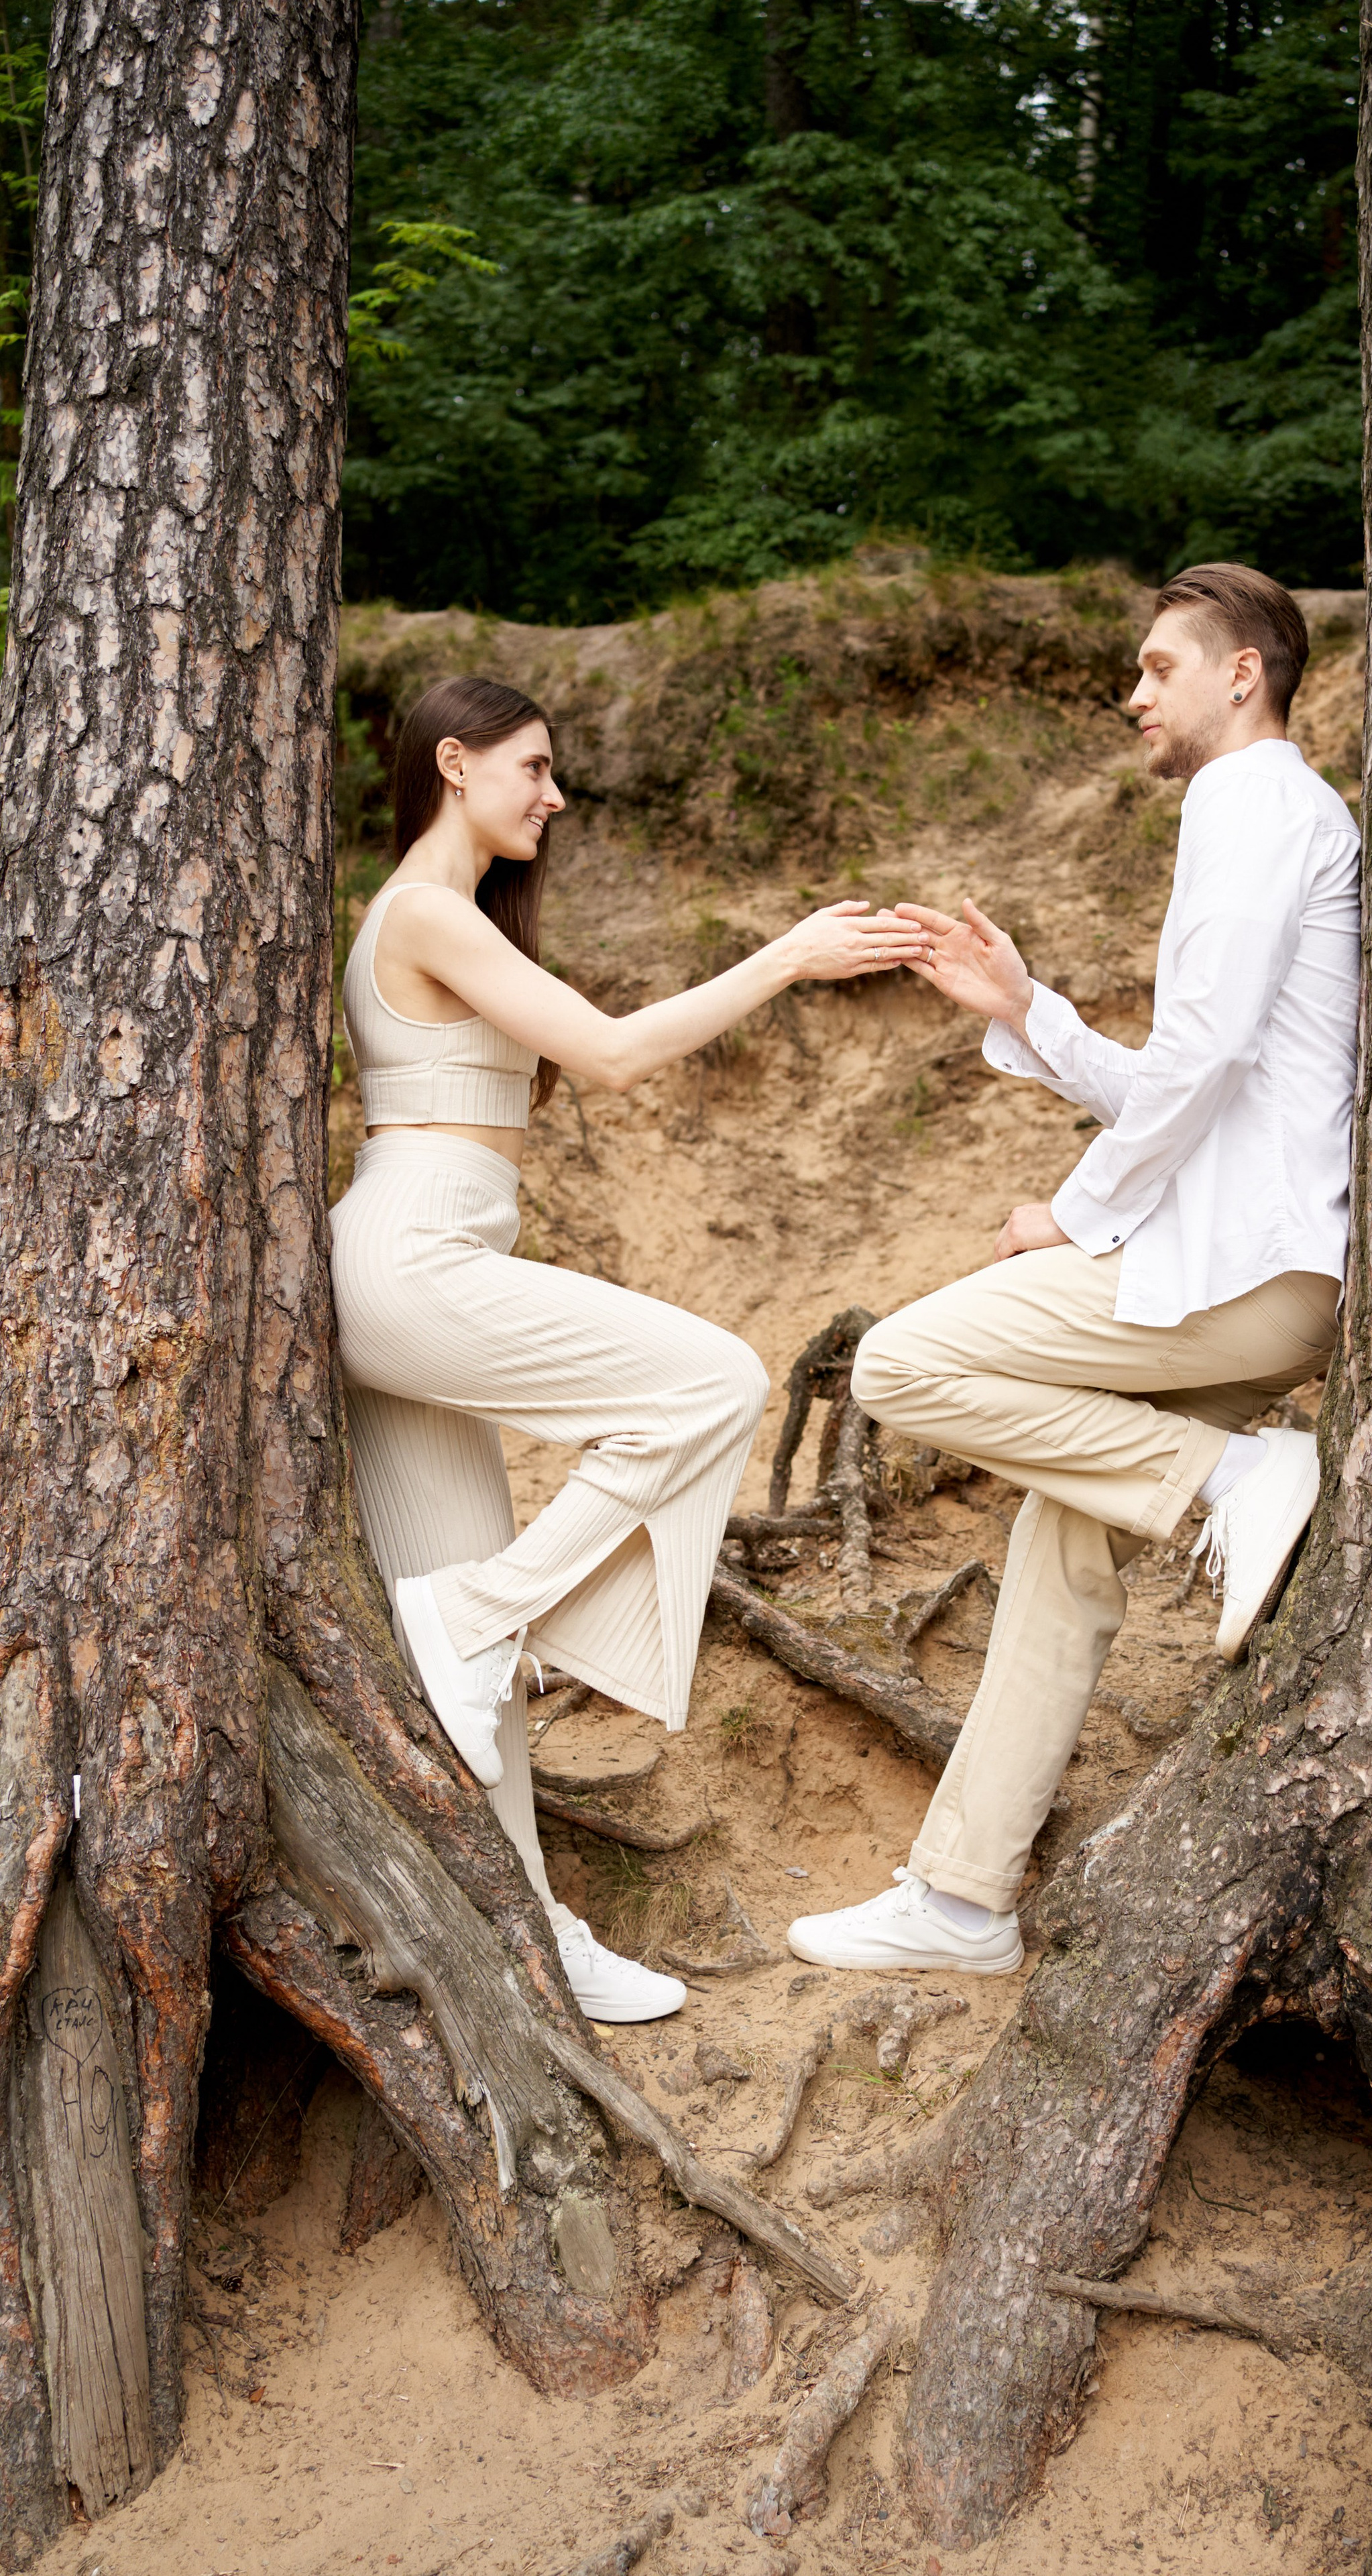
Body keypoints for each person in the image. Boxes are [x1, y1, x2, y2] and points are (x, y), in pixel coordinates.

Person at [786, 563, 1360, 1977]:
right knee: (1060, 1532)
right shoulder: (1273, 816)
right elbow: (1208, 1072)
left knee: (901, 1362)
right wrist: (1027, 1011)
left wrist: (1074, 1213)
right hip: (1257, 1268)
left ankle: (1237, 1481)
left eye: (1159, 666)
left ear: (1242, 674)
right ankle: (964, 1895)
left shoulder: (1252, 801)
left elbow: (1205, 1058)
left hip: (1246, 1270)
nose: (1133, 692)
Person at [329, 675, 930, 2021]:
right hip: (412, 1262)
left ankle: (525, 1936)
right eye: (531, 767)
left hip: (413, 1272)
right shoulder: (424, 908)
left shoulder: (447, 916)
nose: (553, 794)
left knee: (461, 1688)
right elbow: (607, 1055)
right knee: (710, 1380)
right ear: (452, 763)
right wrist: (785, 957)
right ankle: (487, 1621)